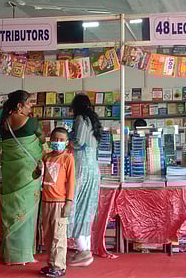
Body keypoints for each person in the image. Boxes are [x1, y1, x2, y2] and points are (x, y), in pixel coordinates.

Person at [0, 90, 45, 265]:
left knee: (11, 210)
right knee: (25, 213)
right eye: (29, 103)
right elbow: (41, 140)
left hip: (10, 172)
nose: (31, 106)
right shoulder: (32, 123)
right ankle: (23, 255)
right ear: (20, 106)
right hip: (28, 173)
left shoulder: (2, 123)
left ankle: (10, 253)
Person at [67, 94, 102, 267]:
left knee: (76, 206)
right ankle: (85, 250)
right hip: (93, 167)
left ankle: (83, 251)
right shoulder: (93, 120)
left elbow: (78, 142)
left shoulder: (80, 119)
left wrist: (66, 139)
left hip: (82, 166)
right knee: (87, 207)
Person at [37, 127, 75, 278]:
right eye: (55, 139)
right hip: (46, 201)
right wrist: (38, 169)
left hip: (60, 202)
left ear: (66, 143)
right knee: (47, 236)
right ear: (50, 140)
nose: (57, 142)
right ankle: (51, 264)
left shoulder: (68, 158)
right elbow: (37, 177)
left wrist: (69, 203)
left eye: (61, 140)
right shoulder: (46, 157)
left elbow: (71, 182)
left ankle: (59, 266)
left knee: (58, 236)